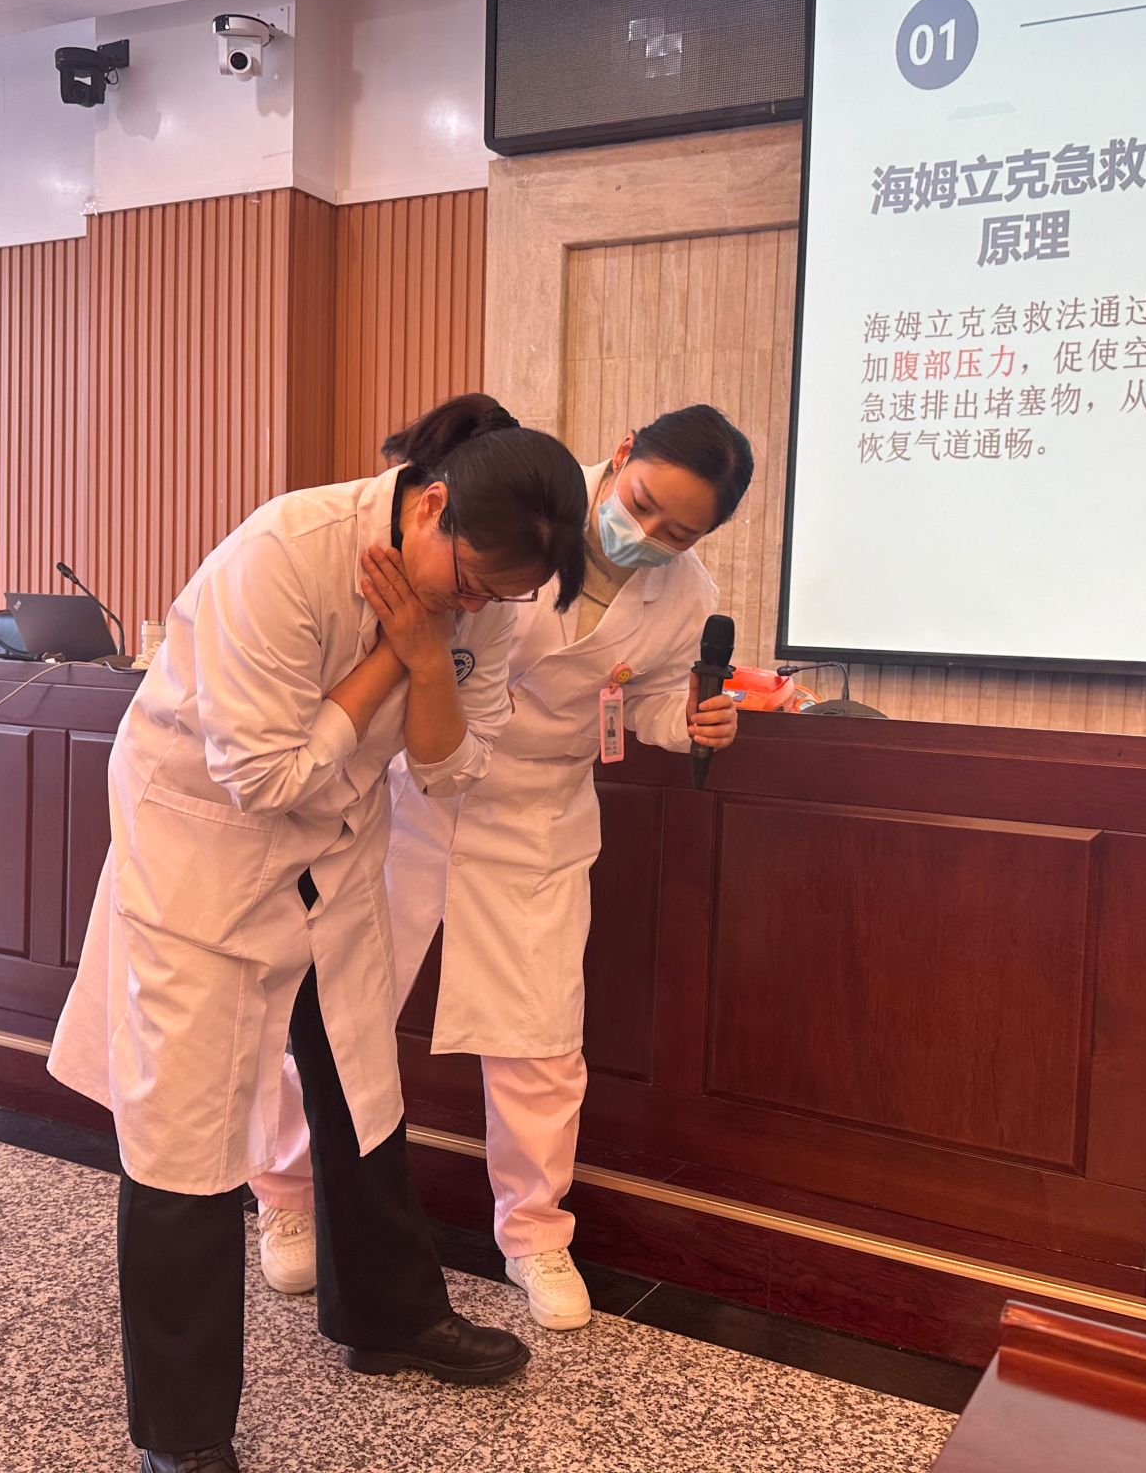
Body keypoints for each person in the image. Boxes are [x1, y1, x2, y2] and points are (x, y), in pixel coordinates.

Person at [48, 393, 589, 1473]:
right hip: (205, 853)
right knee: (186, 1137)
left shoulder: (483, 594)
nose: (479, 606)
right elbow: (263, 778)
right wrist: (401, 651)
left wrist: (432, 655)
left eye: (501, 597)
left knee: (356, 1082)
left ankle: (390, 1318)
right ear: (430, 507)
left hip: (335, 850)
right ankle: (183, 1436)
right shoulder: (284, 555)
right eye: (470, 583)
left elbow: (449, 768)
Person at [250, 405, 754, 1333]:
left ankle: (533, 1233)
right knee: (338, 1009)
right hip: (414, 794)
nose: (648, 535)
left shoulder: (684, 595)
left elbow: (645, 700)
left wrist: (689, 722)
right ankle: (286, 1193)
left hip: (536, 817)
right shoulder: (528, 508)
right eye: (642, 504)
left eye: (678, 532)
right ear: (622, 454)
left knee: (539, 1040)